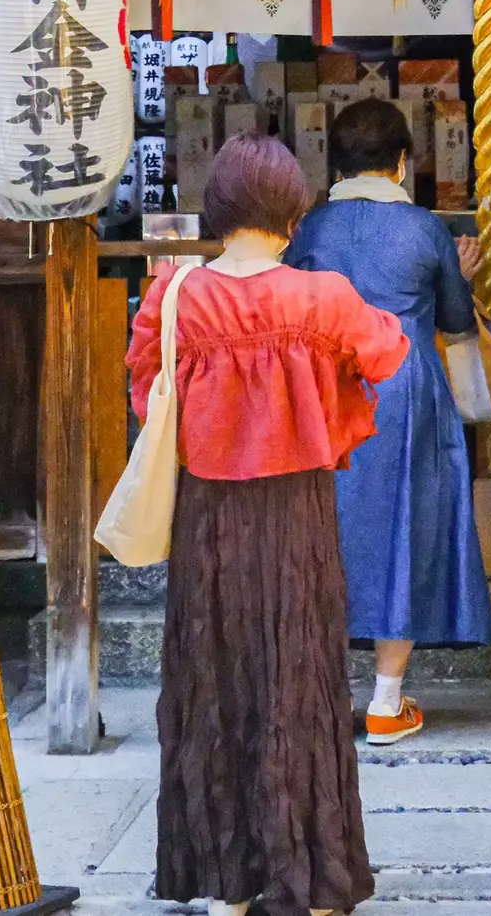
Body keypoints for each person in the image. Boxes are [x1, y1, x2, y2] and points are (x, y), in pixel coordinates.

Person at [126, 134, 409, 916]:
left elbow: (147, 395)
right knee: (298, 679)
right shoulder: (321, 296)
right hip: (297, 517)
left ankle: (228, 879)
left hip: (208, 518)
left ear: (219, 210)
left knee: (213, 679)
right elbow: (387, 352)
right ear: (293, 209)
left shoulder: (175, 295)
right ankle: (310, 874)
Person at [287, 97, 491, 744]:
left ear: (336, 164)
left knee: (322, 532)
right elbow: (458, 324)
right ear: (403, 161)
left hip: (325, 389)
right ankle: (385, 700)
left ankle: (316, 696)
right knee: (406, 529)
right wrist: (451, 279)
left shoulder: (310, 231)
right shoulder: (425, 230)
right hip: (403, 385)